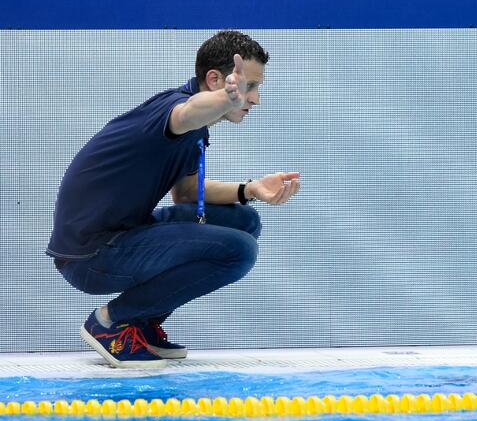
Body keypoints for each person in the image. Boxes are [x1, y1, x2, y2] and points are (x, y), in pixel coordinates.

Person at [47, 30, 301, 369]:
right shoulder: (175, 110)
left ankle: (141, 321)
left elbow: (186, 194)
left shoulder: (195, 129)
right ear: (215, 80)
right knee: (240, 250)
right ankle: (112, 322)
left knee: (244, 220)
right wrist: (226, 99)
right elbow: (187, 113)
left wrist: (250, 189)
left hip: (124, 234)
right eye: (249, 86)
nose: (255, 99)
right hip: (90, 255)